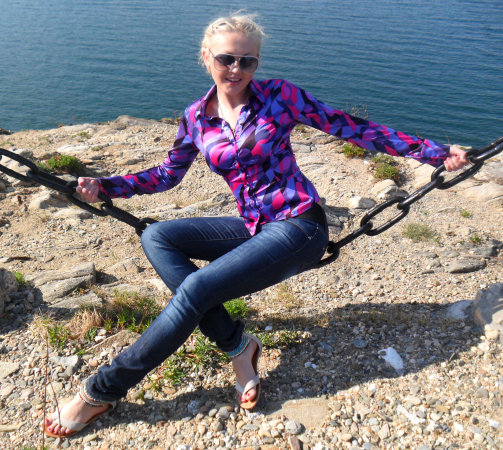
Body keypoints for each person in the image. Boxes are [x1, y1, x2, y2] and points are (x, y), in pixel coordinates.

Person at [44, 13, 469, 438]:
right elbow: (167, 174)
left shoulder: (280, 97)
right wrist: (106, 186)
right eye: (226, 59)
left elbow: (353, 128)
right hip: (254, 227)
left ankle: (100, 392)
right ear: (206, 57)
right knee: (157, 236)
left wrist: (433, 153)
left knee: (196, 288)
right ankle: (238, 346)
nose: (236, 69)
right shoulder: (195, 117)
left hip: (299, 226)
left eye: (247, 61)